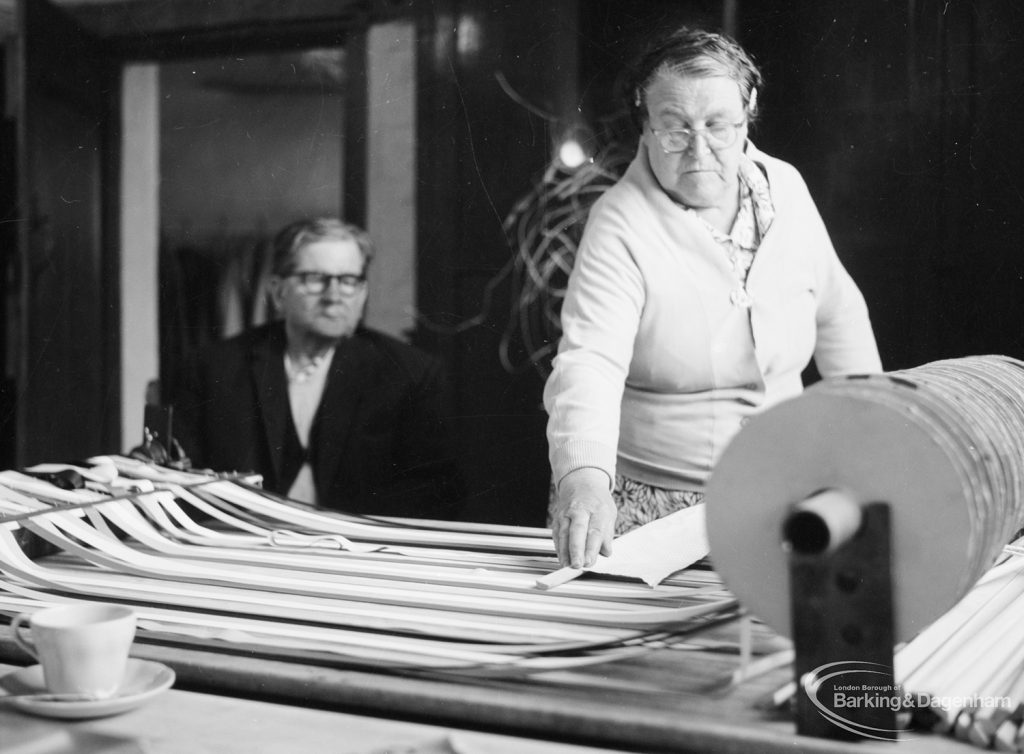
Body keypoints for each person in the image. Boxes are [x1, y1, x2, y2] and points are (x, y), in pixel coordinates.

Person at [544, 26, 882, 568]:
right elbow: (590, 362)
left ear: (748, 110)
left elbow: (839, 312)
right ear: (646, 124)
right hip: (658, 507)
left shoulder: (786, 188)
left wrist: (870, 443)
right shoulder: (620, 221)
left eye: (719, 126)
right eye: (675, 129)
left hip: (786, 487)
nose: (699, 150)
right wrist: (583, 480)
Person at [173, 217, 465, 519]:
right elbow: (179, 471)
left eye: (349, 281)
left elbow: (435, 492)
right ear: (278, 292)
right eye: (315, 279)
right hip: (244, 547)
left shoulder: (411, 373)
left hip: (362, 552)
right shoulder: (214, 367)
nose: (334, 296)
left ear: (362, 293)